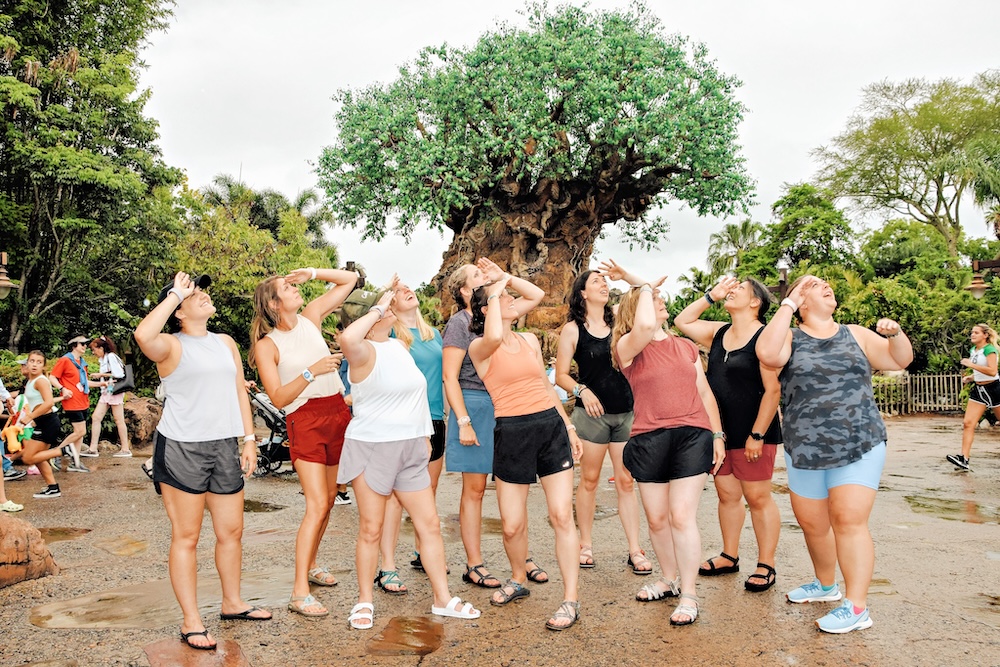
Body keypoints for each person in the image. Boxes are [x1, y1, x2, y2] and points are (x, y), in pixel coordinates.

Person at [756, 275, 912, 634]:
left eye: (826, 282)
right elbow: (766, 354)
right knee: (813, 523)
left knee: (847, 519)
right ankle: (826, 587)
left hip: (860, 441)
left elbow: (897, 360)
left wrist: (895, 334)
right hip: (805, 447)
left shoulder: (855, 333)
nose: (825, 285)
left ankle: (856, 607)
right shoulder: (789, 337)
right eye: (813, 284)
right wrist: (787, 304)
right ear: (800, 300)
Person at [135, 272, 271, 650]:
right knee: (187, 536)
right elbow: (142, 336)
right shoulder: (169, 345)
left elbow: (239, 393)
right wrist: (177, 292)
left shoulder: (224, 342)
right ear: (178, 310)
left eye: (201, 292)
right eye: (194, 295)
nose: (204, 295)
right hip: (182, 447)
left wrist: (248, 440)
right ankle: (191, 620)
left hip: (225, 444)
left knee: (232, 531)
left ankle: (233, 602)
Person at [338, 278, 480, 629]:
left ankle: (442, 598)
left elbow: (418, 394)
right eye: (382, 308)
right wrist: (376, 306)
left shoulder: (399, 348)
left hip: (411, 447)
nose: (388, 309)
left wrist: (424, 436)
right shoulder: (363, 351)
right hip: (373, 448)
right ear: (370, 317)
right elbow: (347, 338)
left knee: (429, 524)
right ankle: (365, 601)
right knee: (371, 527)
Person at [606, 260, 725, 626]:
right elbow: (643, 324)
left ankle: (688, 594)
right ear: (636, 307)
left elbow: (704, 393)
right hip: (648, 438)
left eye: (659, 298)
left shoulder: (686, 347)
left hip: (692, 434)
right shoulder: (627, 348)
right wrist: (636, 283)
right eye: (653, 299)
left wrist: (717, 435)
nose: (661, 302)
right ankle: (669, 579)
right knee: (657, 520)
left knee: (680, 515)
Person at [468, 276, 583, 631]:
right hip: (512, 433)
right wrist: (497, 289)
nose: (512, 300)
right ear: (487, 310)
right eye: (502, 298)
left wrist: (569, 426)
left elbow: (546, 387)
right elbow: (494, 336)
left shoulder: (530, 339)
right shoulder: (480, 348)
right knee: (512, 524)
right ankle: (518, 577)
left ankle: (570, 599)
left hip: (549, 426)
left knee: (562, 515)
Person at [250, 266, 358, 617]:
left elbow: (349, 280)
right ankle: (298, 593)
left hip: (337, 414)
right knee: (315, 504)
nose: (295, 289)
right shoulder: (267, 346)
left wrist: (311, 273)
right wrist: (312, 371)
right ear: (273, 303)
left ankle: (311, 565)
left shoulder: (311, 318)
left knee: (329, 500)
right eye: (287, 287)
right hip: (306, 419)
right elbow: (278, 398)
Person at [442, 259, 548, 590]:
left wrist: (505, 278)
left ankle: (523, 557)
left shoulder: (500, 310)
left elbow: (536, 295)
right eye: (477, 276)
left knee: (516, 486)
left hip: (510, 405)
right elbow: (450, 376)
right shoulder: (461, 323)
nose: (485, 277)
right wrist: (463, 421)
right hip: (475, 404)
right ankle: (474, 563)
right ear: (464, 291)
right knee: (474, 490)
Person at [674, 276, 782, 592]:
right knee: (727, 495)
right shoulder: (718, 332)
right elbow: (683, 320)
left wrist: (758, 434)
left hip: (754, 431)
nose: (731, 292)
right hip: (720, 431)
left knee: (758, 497)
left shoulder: (764, 337)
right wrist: (711, 295)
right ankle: (729, 555)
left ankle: (766, 564)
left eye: (739, 290)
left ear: (755, 301)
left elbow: (772, 390)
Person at [554, 269, 647, 574]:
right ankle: (585, 545)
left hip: (626, 413)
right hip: (591, 416)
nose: (604, 285)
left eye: (605, 282)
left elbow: (645, 293)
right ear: (582, 293)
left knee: (626, 481)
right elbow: (561, 375)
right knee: (590, 481)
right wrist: (582, 390)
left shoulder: (621, 319)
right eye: (596, 281)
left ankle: (635, 549)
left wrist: (626, 276)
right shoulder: (572, 330)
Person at [377, 281, 447, 594]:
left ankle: (423, 551)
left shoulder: (434, 334)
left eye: (409, 287)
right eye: (399, 290)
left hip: (434, 419)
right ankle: (387, 566)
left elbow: (444, 379)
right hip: (403, 423)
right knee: (395, 498)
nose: (408, 290)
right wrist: (382, 300)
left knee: (427, 490)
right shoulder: (390, 334)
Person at [949, 323, 999, 471]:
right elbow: (980, 370)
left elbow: (992, 371)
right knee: (968, 423)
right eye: (972, 332)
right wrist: (972, 377)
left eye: (976, 332)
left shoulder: (990, 350)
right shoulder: (974, 350)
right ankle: (964, 459)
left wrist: (971, 365)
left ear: (985, 335)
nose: (972, 334)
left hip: (994, 389)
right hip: (979, 390)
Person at [18, 351, 66, 499]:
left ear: (43, 366)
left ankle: (64, 451)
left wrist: (30, 417)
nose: (34, 364)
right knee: (37, 457)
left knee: (27, 458)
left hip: (48, 423)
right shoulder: (31, 381)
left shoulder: (41, 381)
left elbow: (49, 403)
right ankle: (53, 487)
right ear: (27, 363)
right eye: (32, 361)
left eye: (39, 362)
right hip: (41, 422)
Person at [49, 335, 92, 472]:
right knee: (81, 431)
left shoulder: (82, 362)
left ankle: (76, 461)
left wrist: (102, 383)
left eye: (86, 344)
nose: (85, 346)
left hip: (83, 400)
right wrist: (62, 389)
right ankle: (55, 453)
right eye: (82, 344)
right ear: (74, 346)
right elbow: (52, 377)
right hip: (72, 401)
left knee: (79, 433)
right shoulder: (65, 360)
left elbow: (84, 381)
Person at [84, 336, 132, 457]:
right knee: (96, 417)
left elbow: (118, 374)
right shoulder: (104, 359)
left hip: (114, 391)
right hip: (107, 392)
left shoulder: (111, 357)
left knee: (118, 419)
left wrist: (100, 374)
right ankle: (93, 448)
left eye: (95, 349)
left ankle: (125, 449)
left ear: (101, 348)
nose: (94, 352)